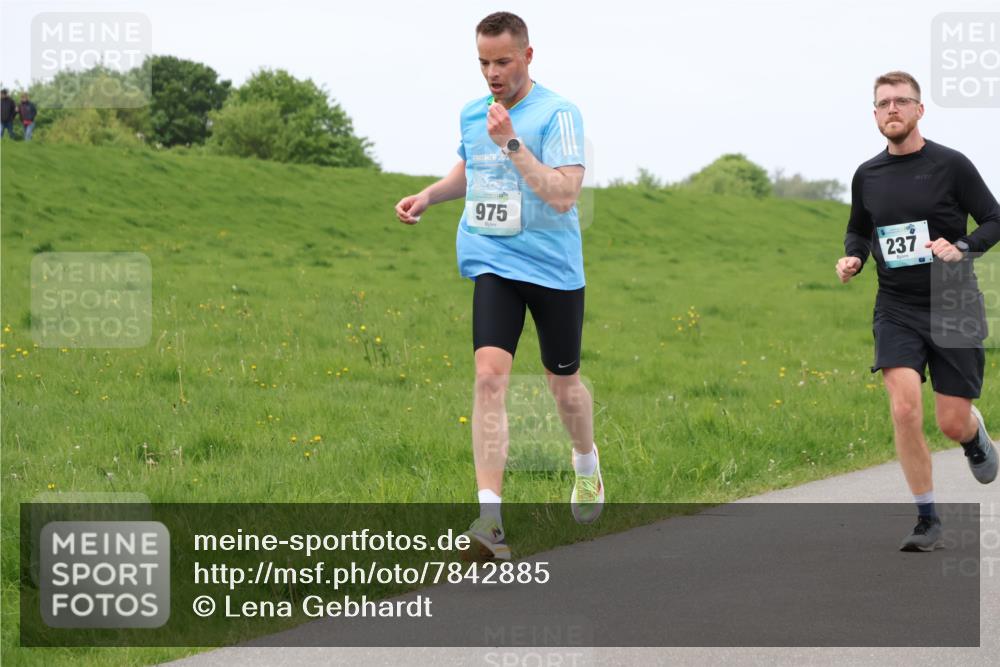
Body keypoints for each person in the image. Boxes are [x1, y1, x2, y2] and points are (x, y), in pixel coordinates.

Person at [394, 11, 601, 560]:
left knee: (564, 385)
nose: (492, 72)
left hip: (553, 268)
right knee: (489, 376)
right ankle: (490, 522)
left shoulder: (558, 114)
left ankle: (586, 463)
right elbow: (470, 172)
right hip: (493, 256)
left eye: (503, 61)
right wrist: (429, 197)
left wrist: (511, 141)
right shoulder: (472, 113)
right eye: (484, 62)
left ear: (527, 56)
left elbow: (562, 194)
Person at [836, 71, 1000, 552]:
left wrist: (964, 247)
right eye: (883, 103)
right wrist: (854, 257)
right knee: (904, 408)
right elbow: (858, 229)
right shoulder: (867, 175)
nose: (892, 110)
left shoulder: (952, 165)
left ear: (919, 111)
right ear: (874, 114)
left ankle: (973, 435)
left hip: (953, 301)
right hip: (897, 305)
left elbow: (994, 218)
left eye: (901, 102)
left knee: (951, 420)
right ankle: (927, 519)